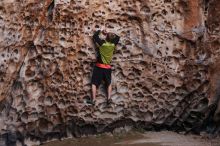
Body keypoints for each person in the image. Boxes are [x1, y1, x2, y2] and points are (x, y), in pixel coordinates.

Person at [88, 30, 120, 105]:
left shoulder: (103, 44)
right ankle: (109, 99)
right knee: (108, 83)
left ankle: (93, 100)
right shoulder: (112, 45)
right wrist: (109, 33)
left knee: (94, 83)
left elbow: (95, 36)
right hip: (108, 67)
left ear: (106, 37)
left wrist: (100, 31)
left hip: (99, 67)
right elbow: (118, 37)